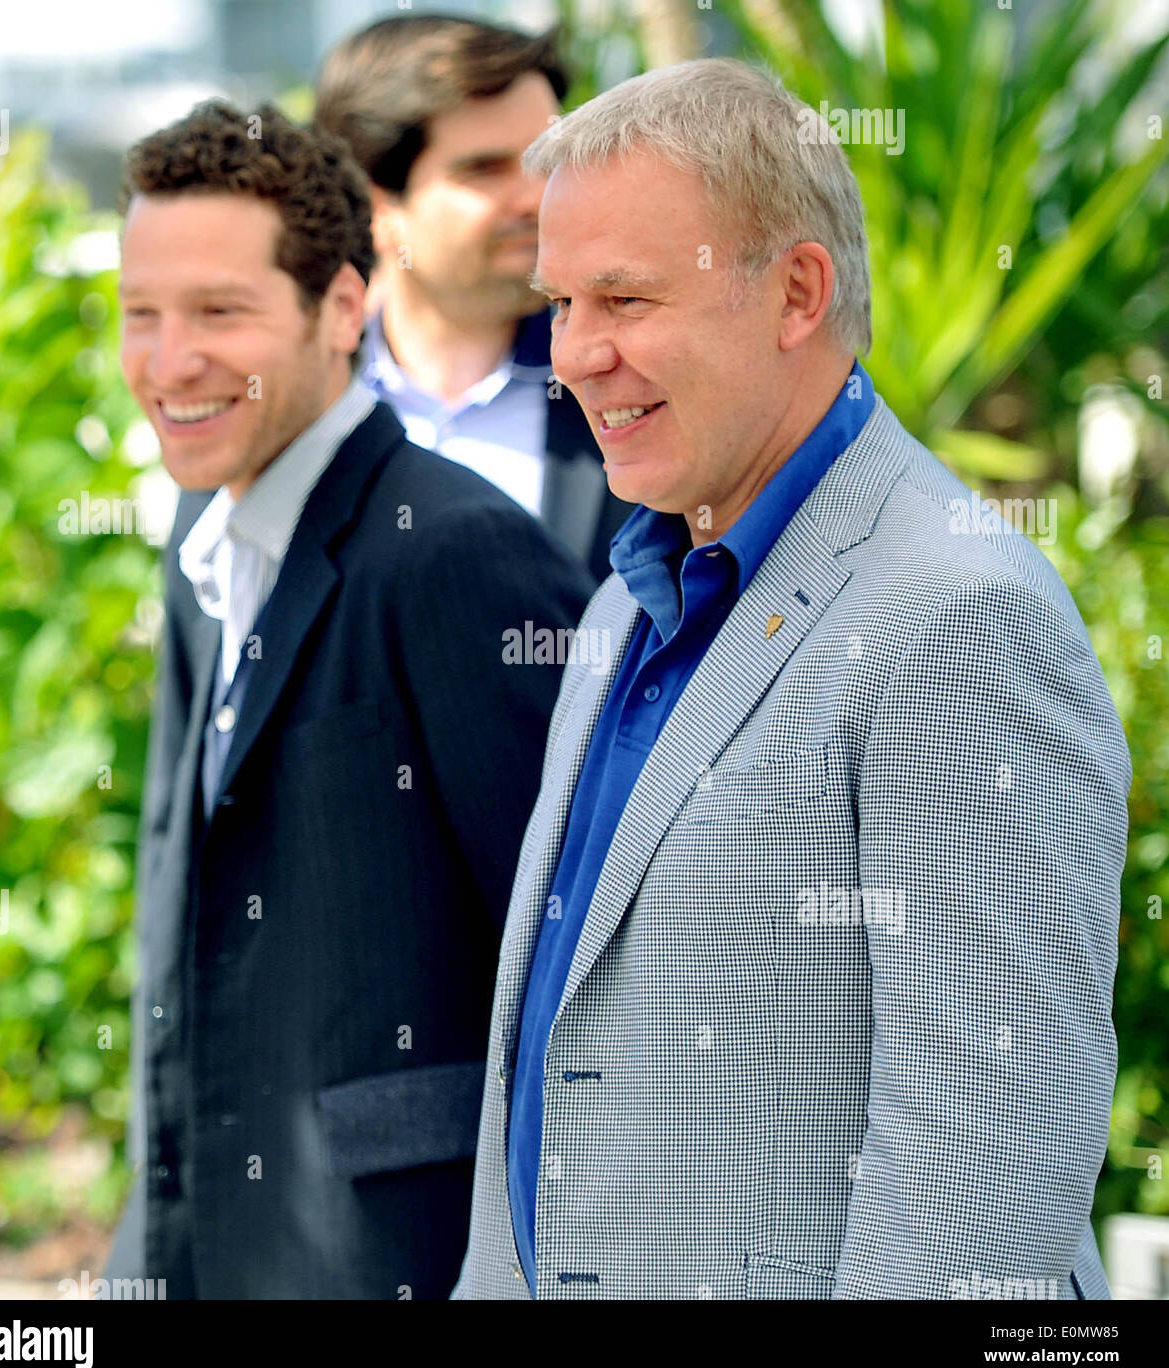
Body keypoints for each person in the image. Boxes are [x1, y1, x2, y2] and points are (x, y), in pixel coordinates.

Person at [453, 59, 1131, 1300]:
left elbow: (981, 1179)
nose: (576, 354)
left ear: (798, 292)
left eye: (624, 296)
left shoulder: (959, 616)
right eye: (560, 301)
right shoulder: (623, 603)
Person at [102, 99, 594, 1299]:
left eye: (220, 311)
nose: (169, 364)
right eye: (141, 316)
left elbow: (580, 974)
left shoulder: (456, 551)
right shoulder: (197, 545)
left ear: (340, 307)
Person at [315, 12, 634, 583]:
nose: (538, 197)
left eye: (550, 159)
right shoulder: (294, 406)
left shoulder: (636, 384)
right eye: (484, 170)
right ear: (376, 207)